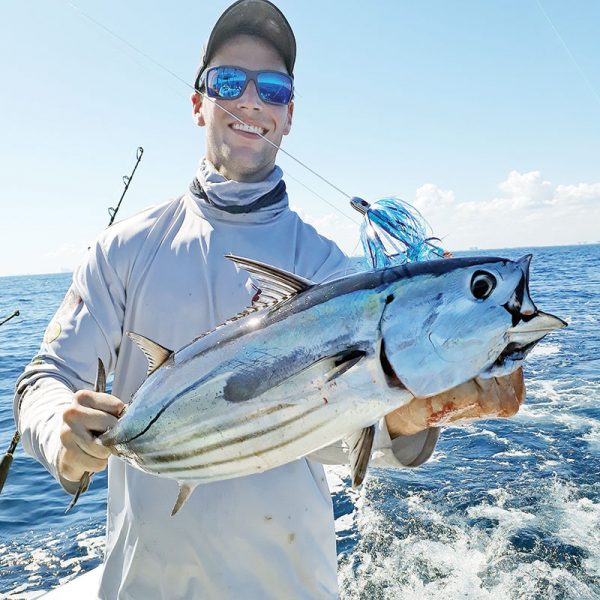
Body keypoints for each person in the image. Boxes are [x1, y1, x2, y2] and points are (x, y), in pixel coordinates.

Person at [14, 1, 525, 598]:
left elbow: (335, 430)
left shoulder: (328, 269)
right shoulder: (122, 252)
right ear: (198, 102)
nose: (251, 101)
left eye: (274, 88)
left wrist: (411, 417)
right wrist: (61, 431)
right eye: (228, 80)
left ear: (288, 115)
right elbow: (42, 379)